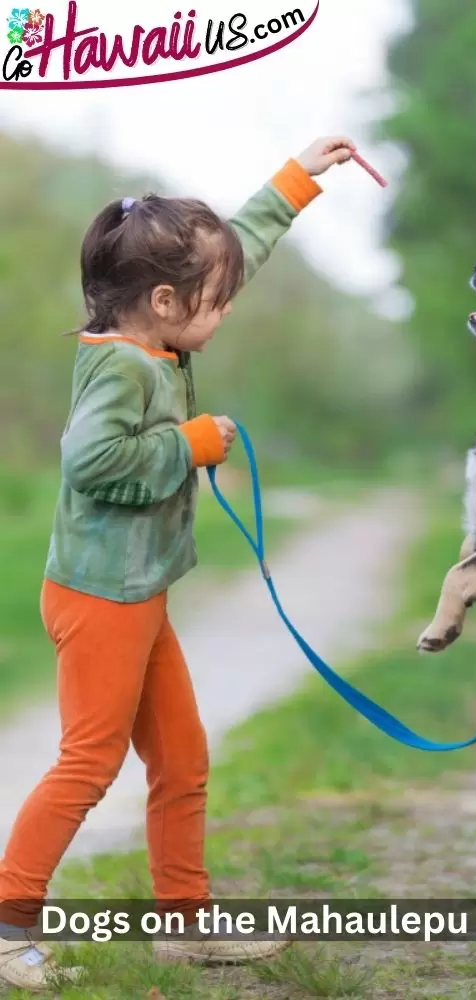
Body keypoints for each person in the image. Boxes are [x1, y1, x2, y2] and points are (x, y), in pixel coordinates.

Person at [0, 135, 356, 992]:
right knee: (90, 762)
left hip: (136, 592)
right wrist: (189, 443)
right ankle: (8, 918)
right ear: (163, 301)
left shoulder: (155, 337)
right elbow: (92, 463)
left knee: (182, 758)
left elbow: (233, 250)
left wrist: (296, 180)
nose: (226, 309)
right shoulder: (122, 370)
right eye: (215, 300)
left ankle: (185, 925)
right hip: (100, 599)